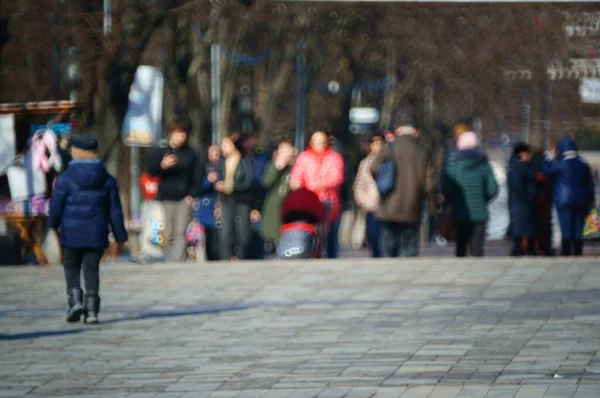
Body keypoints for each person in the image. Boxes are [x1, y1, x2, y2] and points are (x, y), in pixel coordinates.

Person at [49, 134, 127, 324]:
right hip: (96, 233)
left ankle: (75, 300)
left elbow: (56, 206)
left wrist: (52, 224)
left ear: (75, 152)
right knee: (92, 269)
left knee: (71, 266)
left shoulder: (65, 178)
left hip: (71, 233)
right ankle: (92, 312)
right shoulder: (107, 179)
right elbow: (115, 210)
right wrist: (120, 235)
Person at [369, 126, 435, 257]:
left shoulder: (389, 148)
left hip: (388, 204)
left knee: (388, 244)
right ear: (415, 134)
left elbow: (373, 167)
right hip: (412, 205)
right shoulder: (422, 151)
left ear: (398, 134)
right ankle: (408, 272)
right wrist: (431, 204)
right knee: (410, 244)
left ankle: (389, 272)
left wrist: (383, 181)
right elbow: (429, 184)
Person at [147, 120, 202, 262]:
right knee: (169, 233)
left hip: (184, 197)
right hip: (166, 196)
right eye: (179, 134)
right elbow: (151, 172)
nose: (182, 137)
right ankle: (171, 257)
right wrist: (162, 166)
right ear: (171, 134)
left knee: (181, 232)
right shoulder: (161, 151)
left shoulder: (191, 153)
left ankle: (177, 262)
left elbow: (197, 175)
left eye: (184, 135)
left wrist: (192, 194)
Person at [441, 132, 498, 257]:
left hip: (460, 212)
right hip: (480, 214)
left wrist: (453, 202)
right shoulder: (484, 165)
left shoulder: (452, 166)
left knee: (461, 245)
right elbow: (493, 189)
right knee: (477, 247)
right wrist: (482, 200)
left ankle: (461, 272)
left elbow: (446, 190)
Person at [290, 131, 345, 258]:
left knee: (329, 234)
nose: (319, 144)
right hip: (309, 202)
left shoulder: (334, 157)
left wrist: (320, 184)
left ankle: (330, 257)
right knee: (309, 231)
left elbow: (337, 177)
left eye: (322, 141)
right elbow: (296, 177)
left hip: (328, 201)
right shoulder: (304, 157)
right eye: (317, 141)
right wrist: (297, 183)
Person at [544, 137, 596, 256]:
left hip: (563, 200)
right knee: (578, 226)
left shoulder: (560, 164)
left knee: (565, 226)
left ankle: (566, 251)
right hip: (581, 200)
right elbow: (590, 184)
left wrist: (548, 158)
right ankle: (578, 250)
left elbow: (547, 171)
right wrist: (591, 200)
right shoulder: (583, 164)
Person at [215, 133, 255, 260]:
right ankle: (225, 259)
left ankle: (241, 257)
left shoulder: (245, 161)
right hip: (226, 200)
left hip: (242, 201)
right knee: (225, 233)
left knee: (242, 233)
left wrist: (231, 187)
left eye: (226, 144)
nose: (223, 147)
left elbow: (248, 182)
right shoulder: (222, 163)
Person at [261, 139, 296, 253]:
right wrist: (277, 168)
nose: (283, 153)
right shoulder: (273, 165)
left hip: (291, 207)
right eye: (281, 150)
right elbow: (266, 182)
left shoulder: (296, 166)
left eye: (286, 150)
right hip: (274, 208)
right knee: (273, 236)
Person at [353, 133, 383, 257]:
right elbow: (358, 185)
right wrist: (365, 201)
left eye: (380, 143)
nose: (378, 146)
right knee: (374, 236)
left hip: (387, 207)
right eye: (375, 143)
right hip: (371, 206)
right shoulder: (365, 164)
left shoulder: (391, 160)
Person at [507, 142, 537, 256]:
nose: (529, 156)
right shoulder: (520, 167)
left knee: (521, 225)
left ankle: (520, 248)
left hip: (518, 202)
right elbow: (519, 186)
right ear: (521, 154)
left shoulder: (516, 166)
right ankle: (520, 248)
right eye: (527, 153)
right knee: (522, 225)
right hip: (522, 202)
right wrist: (531, 194)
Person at [196, 145, 221, 261]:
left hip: (221, 205)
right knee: (209, 238)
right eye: (212, 153)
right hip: (207, 208)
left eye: (217, 152)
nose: (215, 155)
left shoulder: (223, 166)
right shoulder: (202, 167)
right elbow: (198, 187)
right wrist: (208, 180)